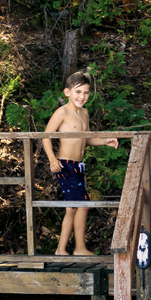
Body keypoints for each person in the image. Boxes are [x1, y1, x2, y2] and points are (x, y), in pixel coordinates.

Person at [43, 72, 119, 256]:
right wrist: (52, 159)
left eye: (86, 93)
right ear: (67, 92)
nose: (82, 97)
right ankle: (75, 248)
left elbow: (86, 139)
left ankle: (65, 249)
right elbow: (46, 135)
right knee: (80, 205)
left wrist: (104, 141)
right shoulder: (62, 112)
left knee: (73, 207)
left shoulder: (84, 114)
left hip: (78, 166)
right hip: (64, 165)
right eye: (78, 92)